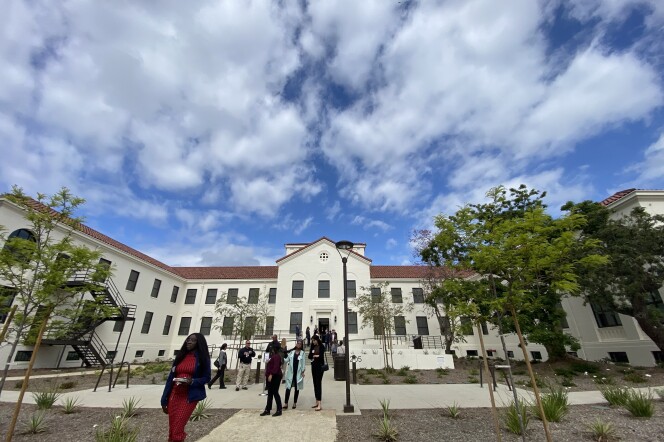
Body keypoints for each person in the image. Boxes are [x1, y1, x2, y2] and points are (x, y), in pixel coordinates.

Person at [161, 333, 211, 442]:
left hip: (189, 396)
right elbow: (170, 378)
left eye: (193, 340)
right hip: (174, 394)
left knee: (178, 427)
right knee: (172, 427)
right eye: (188, 339)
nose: (189, 342)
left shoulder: (203, 358)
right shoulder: (181, 356)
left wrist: (192, 381)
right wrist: (164, 399)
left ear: (199, 343)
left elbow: (207, 378)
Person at [260, 345, 283, 417]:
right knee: (270, 393)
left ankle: (279, 409)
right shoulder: (272, 356)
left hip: (275, 376)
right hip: (270, 376)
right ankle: (268, 409)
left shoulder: (276, 356)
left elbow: (276, 367)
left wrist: (271, 374)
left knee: (275, 392)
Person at [283, 340, 305, 410]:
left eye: (300, 344)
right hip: (291, 373)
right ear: (296, 344)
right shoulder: (292, 352)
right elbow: (286, 360)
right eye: (298, 343)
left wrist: (303, 371)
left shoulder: (302, 353)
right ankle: (286, 403)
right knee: (288, 388)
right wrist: (284, 354)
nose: (298, 345)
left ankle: (294, 402)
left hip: (298, 373)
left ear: (301, 346)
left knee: (296, 388)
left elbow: (303, 363)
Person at [308, 334, 326, 411]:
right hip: (314, 366)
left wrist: (316, 356)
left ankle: (319, 403)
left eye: (314, 340)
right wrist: (313, 355)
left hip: (319, 367)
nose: (313, 342)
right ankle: (316, 401)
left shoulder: (321, 347)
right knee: (315, 383)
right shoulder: (312, 346)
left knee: (318, 383)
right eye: (312, 340)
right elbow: (309, 356)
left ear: (317, 340)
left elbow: (321, 356)